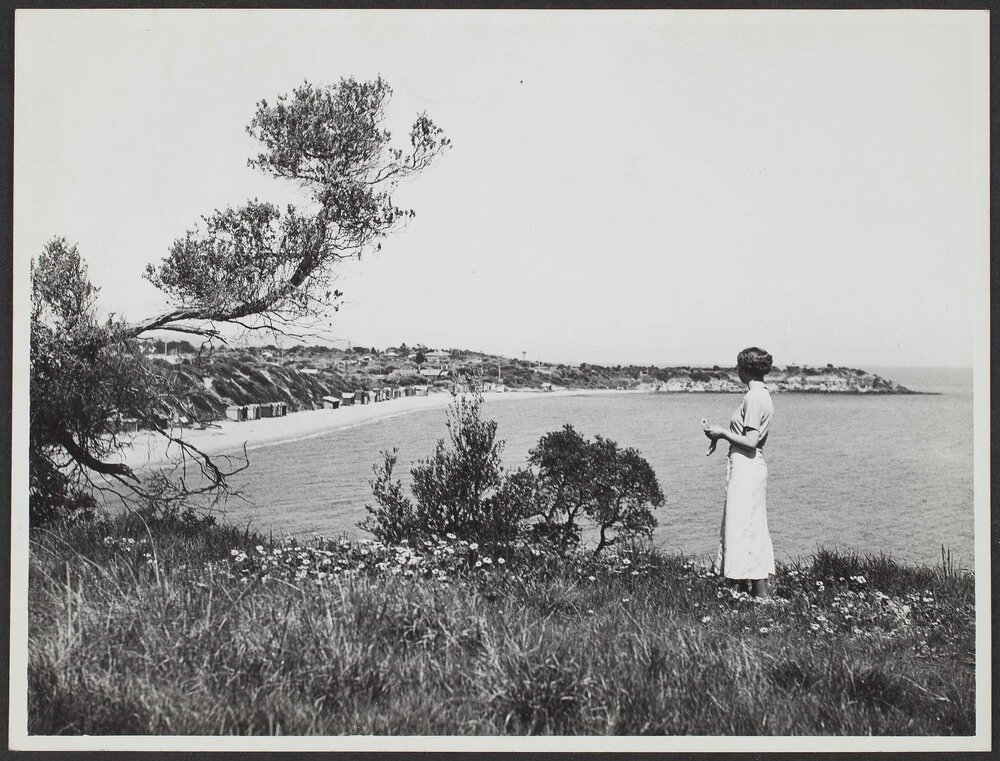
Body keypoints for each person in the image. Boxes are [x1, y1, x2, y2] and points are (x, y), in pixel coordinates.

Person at [703, 347, 775, 598]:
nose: (736, 371)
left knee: (740, 525)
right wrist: (721, 437)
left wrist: (722, 433)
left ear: (746, 369)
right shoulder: (761, 395)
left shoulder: (754, 398)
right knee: (749, 525)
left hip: (746, 467)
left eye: (738, 366)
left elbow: (751, 441)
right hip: (748, 466)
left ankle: (738, 589)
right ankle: (753, 589)